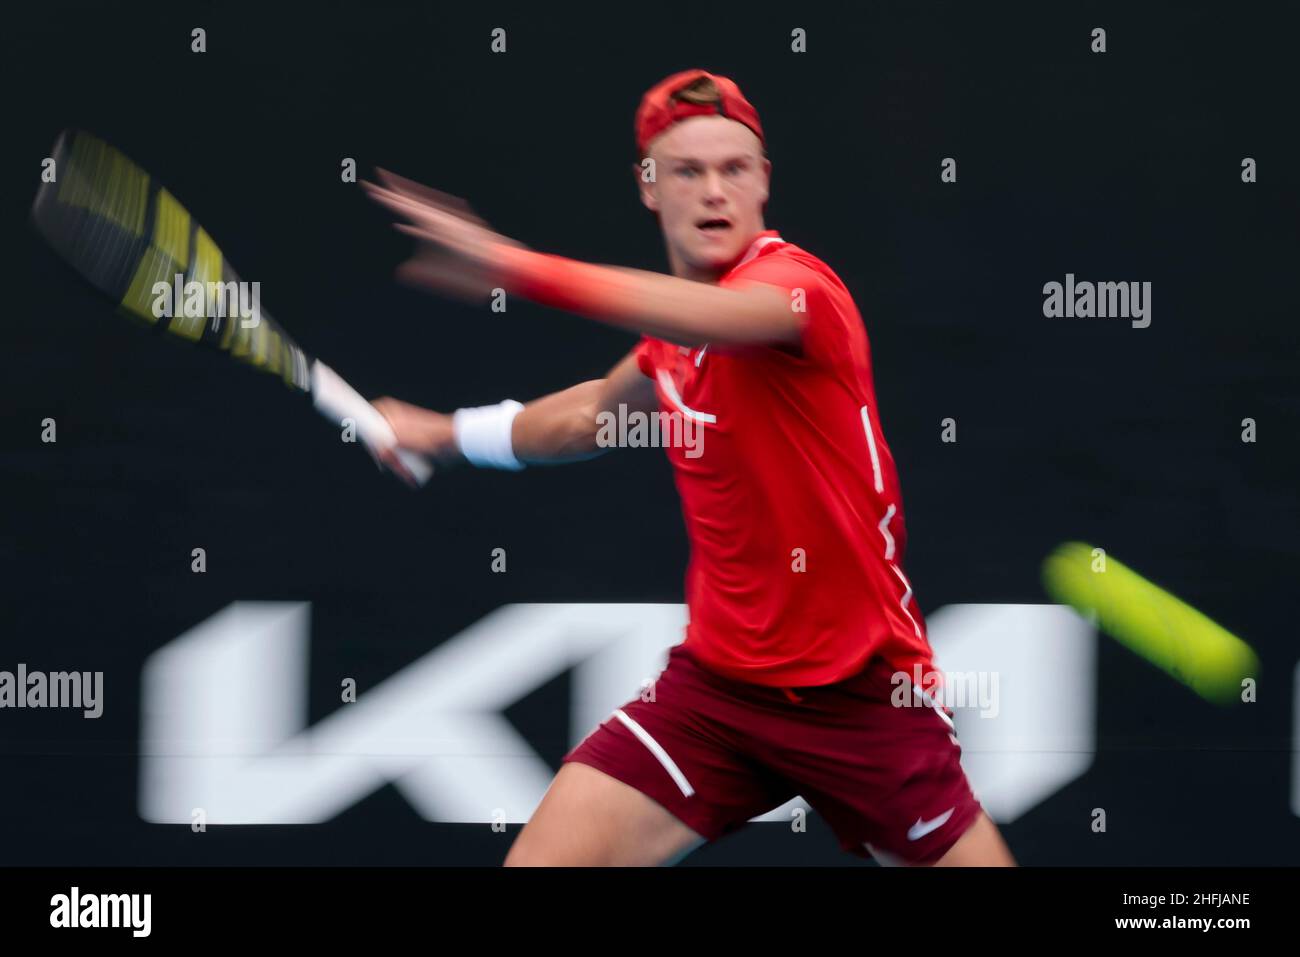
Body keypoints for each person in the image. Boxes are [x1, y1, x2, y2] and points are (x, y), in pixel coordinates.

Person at [363, 69, 1015, 867]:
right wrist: (445, 431)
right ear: (648, 185)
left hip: (861, 698)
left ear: (764, 182)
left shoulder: (799, 292)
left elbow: (714, 315)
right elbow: (589, 417)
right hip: (719, 695)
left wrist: (518, 267)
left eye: (735, 169)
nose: (715, 191)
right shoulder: (671, 343)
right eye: (688, 170)